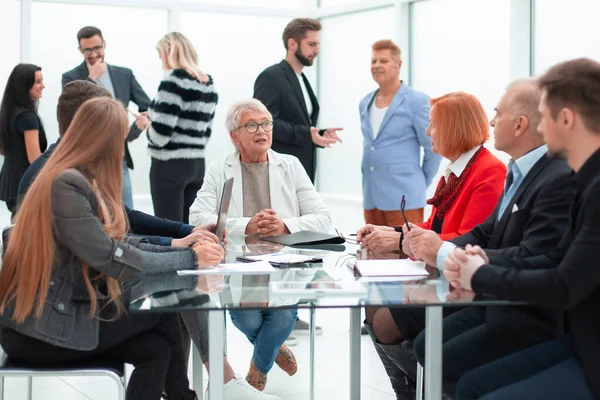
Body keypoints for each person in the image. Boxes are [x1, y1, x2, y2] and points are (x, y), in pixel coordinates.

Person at [17, 80, 278, 400]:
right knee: (165, 311)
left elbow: (118, 235)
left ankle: (198, 390)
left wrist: (180, 242)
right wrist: (190, 256)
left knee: (157, 342)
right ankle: (207, 388)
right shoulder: (64, 182)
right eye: (119, 139)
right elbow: (112, 253)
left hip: (65, 304)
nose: (121, 149)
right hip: (48, 321)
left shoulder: (73, 175)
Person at [441, 58, 600, 400]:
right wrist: (478, 270)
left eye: (546, 117)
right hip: (577, 339)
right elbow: (556, 258)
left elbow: (563, 284)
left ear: (567, 119)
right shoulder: (583, 179)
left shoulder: (591, 186)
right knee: (472, 385)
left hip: (587, 352)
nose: (540, 129)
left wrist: (479, 276)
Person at [408, 79, 574, 396]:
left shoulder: (557, 177)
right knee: (426, 346)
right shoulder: (521, 170)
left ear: (521, 124)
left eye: (498, 114)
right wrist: (438, 248)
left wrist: (443, 254)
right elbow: (487, 231)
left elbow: (536, 255)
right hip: (497, 296)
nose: (493, 122)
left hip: (529, 312)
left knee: (444, 359)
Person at [357, 92, 506, 399]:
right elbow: (433, 227)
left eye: (433, 126)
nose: (427, 133)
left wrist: (398, 240)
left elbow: (470, 238)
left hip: (458, 284)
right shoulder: (454, 170)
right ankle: (411, 388)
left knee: (384, 322)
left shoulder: (489, 172)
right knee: (371, 303)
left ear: (454, 127)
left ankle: (425, 389)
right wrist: (391, 231)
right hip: (436, 275)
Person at [189, 99, 332, 391]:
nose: (262, 131)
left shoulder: (290, 165)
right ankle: (273, 350)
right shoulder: (220, 169)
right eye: (251, 125)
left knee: (280, 321)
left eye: (266, 124)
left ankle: (256, 374)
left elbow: (323, 219)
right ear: (234, 136)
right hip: (240, 267)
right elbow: (197, 216)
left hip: (286, 266)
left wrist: (285, 226)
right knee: (246, 319)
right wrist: (246, 225)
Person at [62, 26, 151, 209]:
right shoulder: (70, 77)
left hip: (118, 155)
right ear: (80, 50)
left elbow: (147, 107)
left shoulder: (123, 74)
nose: (94, 54)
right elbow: (72, 115)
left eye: (97, 48)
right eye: (88, 50)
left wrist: (136, 129)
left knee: (127, 213)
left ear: (104, 45)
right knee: (93, 212)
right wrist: (91, 78)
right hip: (86, 158)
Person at [138, 32, 218, 225]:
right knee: (190, 229)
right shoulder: (208, 83)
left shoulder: (172, 80)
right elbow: (205, 132)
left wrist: (146, 125)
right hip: (197, 164)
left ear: (169, 52)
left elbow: (160, 136)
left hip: (169, 165)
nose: (161, 61)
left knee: (170, 230)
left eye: (161, 55)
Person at [359, 39, 441, 227]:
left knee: (405, 253)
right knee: (373, 252)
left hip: (405, 196)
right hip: (371, 197)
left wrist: (418, 184)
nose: (377, 66)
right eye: (374, 61)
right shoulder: (365, 103)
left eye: (383, 61)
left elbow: (432, 149)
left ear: (398, 65)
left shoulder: (417, 101)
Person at [254, 17, 342, 183]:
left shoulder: (301, 78)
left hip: (303, 174)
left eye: (318, 44)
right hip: (279, 174)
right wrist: (307, 134)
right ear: (292, 44)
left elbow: (298, 123)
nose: (317, 50)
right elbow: (265, 125)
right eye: (311, 44)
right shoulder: (270, 77)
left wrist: (318, 134)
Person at [0, 63, 47, 217]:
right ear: (24, 85)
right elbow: (35, 159)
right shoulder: (27, 117)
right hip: (25, 186)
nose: (43, 86)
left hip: (10, 183)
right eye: (38, 82)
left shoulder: (9, 112)